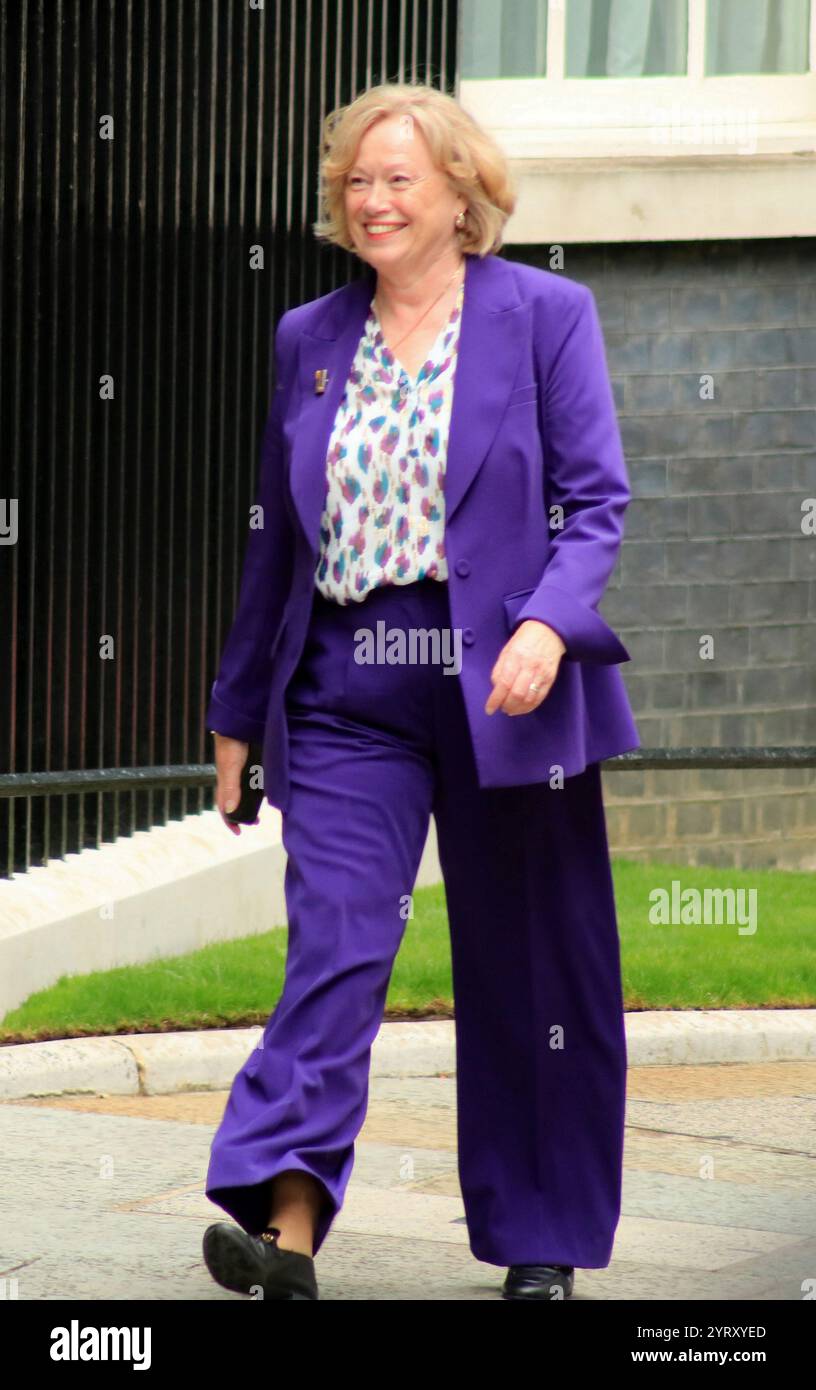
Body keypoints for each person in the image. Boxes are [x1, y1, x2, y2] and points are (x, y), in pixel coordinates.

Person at [201, 81, 640, 1302]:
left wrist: (551, 623)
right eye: (357, 179)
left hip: (506, 680)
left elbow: (596, 503)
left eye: (400, 178)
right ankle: (283, 1230)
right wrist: (238, 714)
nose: (374, 198)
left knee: (532, 961)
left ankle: (540, 1239)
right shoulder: (310, 336)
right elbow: (277, 545)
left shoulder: (548, 315)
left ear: (463, 195)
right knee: (335, 938)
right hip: (351, 681)